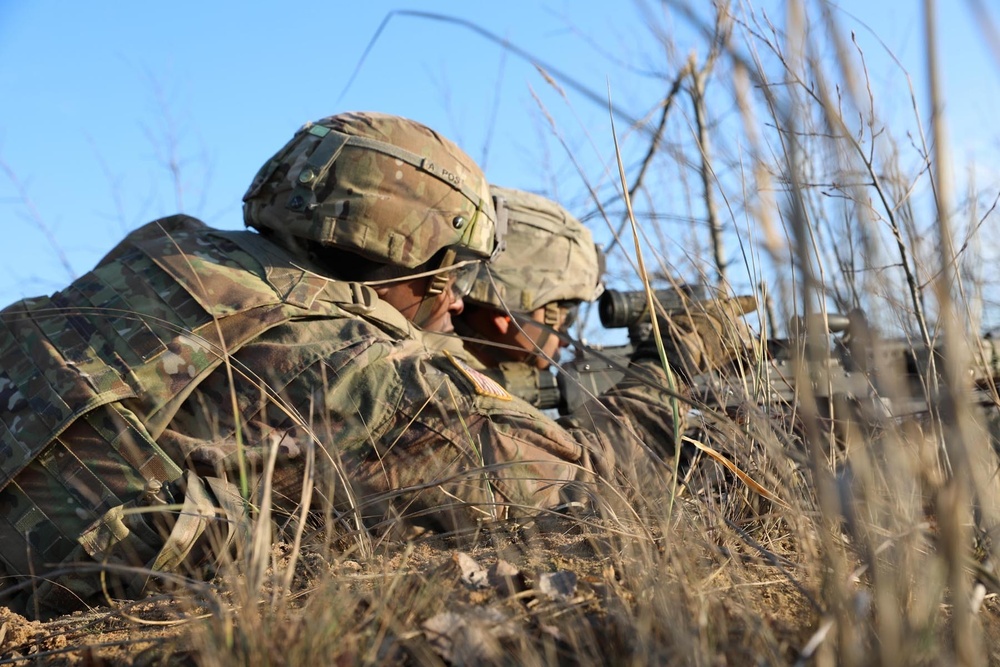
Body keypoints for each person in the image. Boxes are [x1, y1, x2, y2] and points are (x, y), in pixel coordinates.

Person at [0, 111, 753, 618]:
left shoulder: (163, 249)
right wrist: (674, 369)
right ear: (415, 262)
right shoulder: (360, 369)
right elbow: (591, 492)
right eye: (451, 277)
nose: (457, 303)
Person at [425, 185, 604, 408]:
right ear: (504, 316)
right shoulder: (439, 389)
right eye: (565, 317)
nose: (565, 341)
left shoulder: (429, 363)